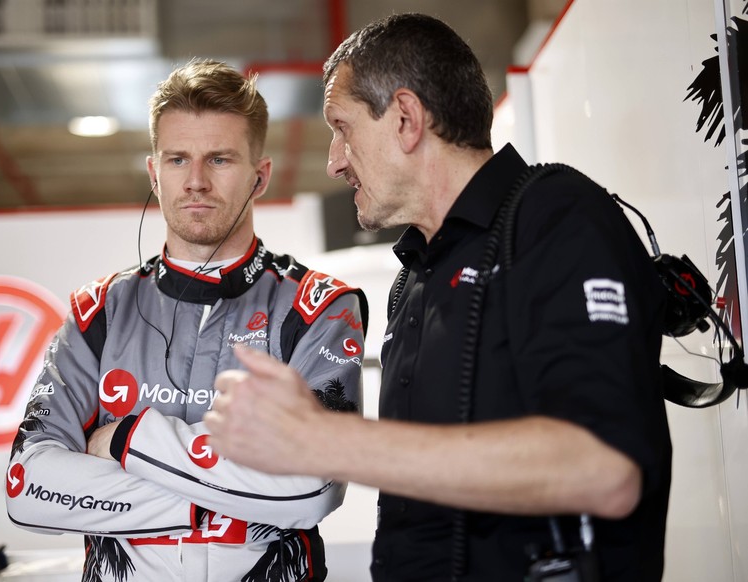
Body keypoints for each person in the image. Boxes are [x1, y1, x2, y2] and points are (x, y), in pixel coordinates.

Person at [205, 13, 672, 581]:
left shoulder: (557, 218)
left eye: (342, 126)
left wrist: (322, 439)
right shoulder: (417, 275)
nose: (332, 160)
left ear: (405, 119)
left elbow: (605, 469)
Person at [5, 59, 368, 582]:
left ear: (259, 176)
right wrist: (227, 505)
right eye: (177, 159)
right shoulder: (99, 312)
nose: (196, 181)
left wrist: (128, 441)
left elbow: (312, 489)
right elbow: (27, 486)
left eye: (219, 159)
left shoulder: (320, 307)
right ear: (155, 173)